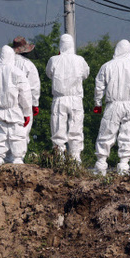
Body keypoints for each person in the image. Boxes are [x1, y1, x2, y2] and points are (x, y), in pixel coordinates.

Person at [93, 40, 130, 176]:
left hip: (113, 104)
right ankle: (124, 165)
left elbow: (99, 86)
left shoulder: (107, 66)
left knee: (106, 133)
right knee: (128, 135)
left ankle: (101, 165)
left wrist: (97, 103)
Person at [46, 34, 90, 162]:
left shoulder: (54, 60)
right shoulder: (80, 60)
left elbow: (49, 73)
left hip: (60, 98)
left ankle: (59, 157)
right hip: (75, 98)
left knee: (58, 128)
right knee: (76, 129)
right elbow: (86, 74)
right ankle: (75, 159)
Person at [0, 45, 33, 166]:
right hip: (14, 108)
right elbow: (25, 94)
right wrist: (27, 112)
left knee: (1, 134)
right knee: (17, 135)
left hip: (0, 108)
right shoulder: (17, 72)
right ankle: (17, 158)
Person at [9, 37, 41, 162]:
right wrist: (35, 104)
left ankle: (7, 161)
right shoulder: (28, 65)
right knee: (22, 133)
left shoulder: (5, 64)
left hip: (7, 103)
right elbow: (34, 86)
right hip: (24, 104)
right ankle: (18, 159)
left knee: (7, 134)